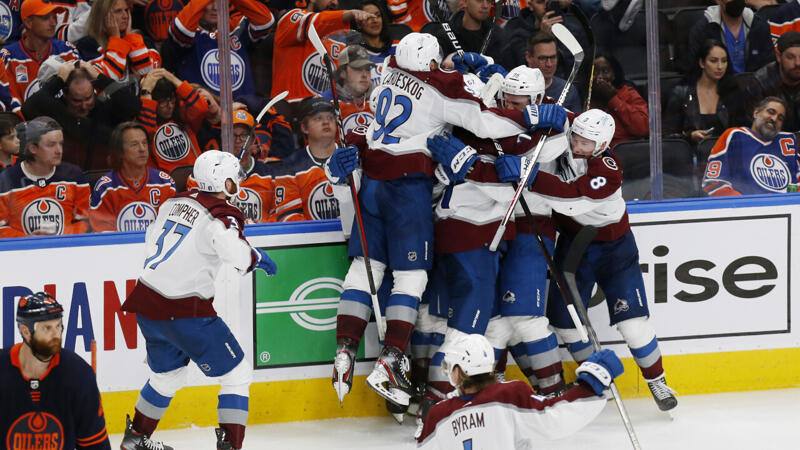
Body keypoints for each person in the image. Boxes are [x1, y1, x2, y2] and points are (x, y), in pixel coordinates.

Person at [323, 32, 548, 408]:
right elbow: (488, 122)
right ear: (431, 63)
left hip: (372, 186)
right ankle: (391, 359)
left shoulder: (386, 72)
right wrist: (533, 114)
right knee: (412, 278)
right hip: (406, 191)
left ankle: (344, 349)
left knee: (365, 270)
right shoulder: (441, 89)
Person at [421, 65, 570, 405]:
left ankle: (547, 389)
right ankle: (440, 400)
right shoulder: (475, 130)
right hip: (475, 233)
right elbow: (490, 185)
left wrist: (561, 122)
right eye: (508, 101)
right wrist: (471, 168)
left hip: (524, 228)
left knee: (513, 320)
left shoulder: (548, 130)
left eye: (520, 104)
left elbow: (559, 151)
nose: (512, 108)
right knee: (470, 327)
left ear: (536, 99)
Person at [119, 150, 278, 450]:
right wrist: (255, 257)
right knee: (237, 374)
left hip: (146, 302)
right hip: (185, 310)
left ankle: (135, 439)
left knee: (167, 376)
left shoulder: (173, 201)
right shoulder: (224, 214)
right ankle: (231, 445)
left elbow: (152, 238)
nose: (238, 182)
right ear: (225, 181)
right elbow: (233, 252)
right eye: (235, 178)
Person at [531, 109, 679, 413]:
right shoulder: (570, 134)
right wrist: (550, 110)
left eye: (586, 144)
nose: (577, 146)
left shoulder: (608, 171)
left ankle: (657, 380)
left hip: (614, 250)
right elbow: (559, 111)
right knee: (564, 322)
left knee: (632, 324)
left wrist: (529, 175)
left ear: (601, 145)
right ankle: (599, 377)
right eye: (576, 139)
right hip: (574, 245)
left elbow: (570, 197)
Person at [416, 333, 624, 448]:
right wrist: (592, 382)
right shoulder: (508, 395)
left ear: (459, 371)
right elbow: (555, 419)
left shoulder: (437, 415)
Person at [0, 292, 111, 449]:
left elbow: (96, 445)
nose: (56, 335)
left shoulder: (78, 375)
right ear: (25, 331)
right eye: (47, 328)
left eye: (58, 326)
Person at [21, 60, 143, 171]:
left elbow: (134, 106)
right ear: (65, 94)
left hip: (104, 179)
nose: (84, 106)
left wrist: (99, 78)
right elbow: (28, 108)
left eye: (88, 98)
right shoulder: (56, 111)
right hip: (65, 181)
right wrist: (59, 81)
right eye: (77, 101)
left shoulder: (103, 107)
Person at [0, 116, 90, 238]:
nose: (59, 151)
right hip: (22, 254)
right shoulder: (7, 180)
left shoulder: (74, 176)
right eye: (51, 145)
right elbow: (1, 227)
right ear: (33, 148)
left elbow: (85, 222)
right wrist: (28, 240)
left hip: (66, 250)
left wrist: (61, 238)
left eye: (61, 144)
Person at [186, 109, 280, 223]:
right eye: (233, 135)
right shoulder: (204, 173)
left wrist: (262, 228)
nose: (238, 140)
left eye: (244, 135)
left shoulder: (269, 175)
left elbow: (278, 213)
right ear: (224, 138)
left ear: (253, 140)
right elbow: (195, 213)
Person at [271, 0, 375, 102]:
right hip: (289, 111)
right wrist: (349, 14)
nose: (335, 2)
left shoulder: (342, 37)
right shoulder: (289, 20)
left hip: (328, 113)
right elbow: (315, 22)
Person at [165, 0, 274, 97]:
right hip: (201, 113)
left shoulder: (237, 28)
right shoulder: (190, 32)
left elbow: (266, 21)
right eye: (209, 2)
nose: (215, 7)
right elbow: (182, 29)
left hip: (242, 113)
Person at [89, 122, 176, 232]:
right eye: (134, 144)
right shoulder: (106, 187)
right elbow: (102, 234)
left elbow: (172, 229)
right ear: (120, 152)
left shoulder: (165, 183)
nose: (142, 149)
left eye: (144, 143)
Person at [702, 96, 799, 196]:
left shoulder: (787, 142)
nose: (774, 119)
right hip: (746, 208)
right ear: (756, 113)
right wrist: (745, 205)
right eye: (771, 112)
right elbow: (713, 183)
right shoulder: (735, 136)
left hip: (787, 208)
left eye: (780, 118)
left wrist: (791, 201)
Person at [0, 0, 80, 112]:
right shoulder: (8, 56)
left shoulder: (68, 51)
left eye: (54, 17)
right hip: (25, 126)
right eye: (46, 18)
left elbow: (83, 95)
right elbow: (11, 107)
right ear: (28, 23)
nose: (53, 23)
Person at [273, 97, 341, 222]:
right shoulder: (290, 166)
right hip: (314, 239)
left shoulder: (351, 157)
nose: (326, 122)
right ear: (304, 127)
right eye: (318, 118)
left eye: (330, 117)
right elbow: (288, 216)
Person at [136, 68, 208, 172]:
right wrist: (146, 90)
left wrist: (170, 77)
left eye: (171, 99)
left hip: (195, 179)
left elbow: (201, 107)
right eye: (162, 102)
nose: (169, 105)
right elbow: (146, 133)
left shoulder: (183, 117)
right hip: (164, 184)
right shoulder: (142, 122)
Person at [665, 39, 734, 146]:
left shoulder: (732, 92)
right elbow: (667, 135)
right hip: (690, 156)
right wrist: (689, 136)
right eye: (714, 61)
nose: (720, 66)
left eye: (724, 61)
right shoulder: (681, 93)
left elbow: (741, 130)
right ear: (702, 63)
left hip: (725, 155)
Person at [75, 0, 161, 82]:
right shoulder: (88, 45)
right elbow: (106, 79)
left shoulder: (139, 39)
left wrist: (130, 37)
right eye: (118, 11)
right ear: (103, 16)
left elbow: (148, 72)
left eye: (126, 10)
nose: (125, 16)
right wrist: (116, 40)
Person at [684, 0, 773, 74]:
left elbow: (769, 67)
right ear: (718, 1)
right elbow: (694, 71)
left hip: (754, 89)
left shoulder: (760, 27)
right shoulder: (702, 31)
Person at [740, 31, 800, 132]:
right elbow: (757, 131)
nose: (798, 63)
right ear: (778, 57)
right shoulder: (760, 83)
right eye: (791, 57)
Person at [589, 52, 648, 148]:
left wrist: (614, 100)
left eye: (605, 71)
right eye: (595, 72)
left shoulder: (629, 94)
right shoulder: (583, 96)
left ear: (614, 74)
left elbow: (643, 129)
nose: (600, 77)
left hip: (627, 151)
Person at [428, 0, 506, 64]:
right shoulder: (444, 36)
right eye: (479, 0)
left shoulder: (498, 35)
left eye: (489, 1)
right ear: (464, 2)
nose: (485, 6)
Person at [321, 44, 376, 134]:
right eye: (358, 69)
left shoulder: (380, 99)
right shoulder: (325, 102)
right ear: (343, 72)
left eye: (367, 69)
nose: (364, 75)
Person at [525, 32, 582, 113]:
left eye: (553, 57)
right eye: (542, 58)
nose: (549, 64)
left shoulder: (568, 90)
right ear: (529, 57)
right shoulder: (515, 88)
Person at [353, 0, 394, 87]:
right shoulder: (354, 55)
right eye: (368, 17)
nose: (375, 20)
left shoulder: (398, 47)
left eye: (378, 15)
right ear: (358, 24)